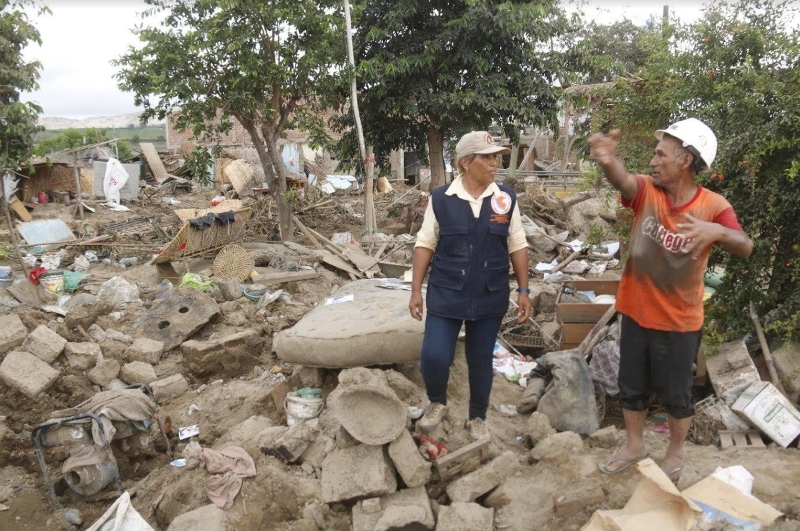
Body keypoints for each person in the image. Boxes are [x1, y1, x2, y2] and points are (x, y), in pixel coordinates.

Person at [588, 118, 753, 484]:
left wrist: (719, 231)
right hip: (634, 311)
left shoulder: (714, 205)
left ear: (685, 160)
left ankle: (675, 453)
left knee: (678, 395)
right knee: (631, 388)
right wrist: (605, 159)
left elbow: (745, 245)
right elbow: (624, 180)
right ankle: (634, 446)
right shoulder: (647, 191)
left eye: (661, 155)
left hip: (679, 322)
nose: (653, 161)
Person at [408, 131, 532, 442]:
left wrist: (524, 290)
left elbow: (517, 244)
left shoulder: (505, 199)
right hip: (447, 291)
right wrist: (414, 290)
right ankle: (437, 402)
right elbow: (425, 244)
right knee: (434, 355)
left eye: (496, 157)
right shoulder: (441, 199)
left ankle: (477, 418)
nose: (495, 163)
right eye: (487, 157)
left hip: (489, 294)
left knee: (480, 360)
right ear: (465, 163)